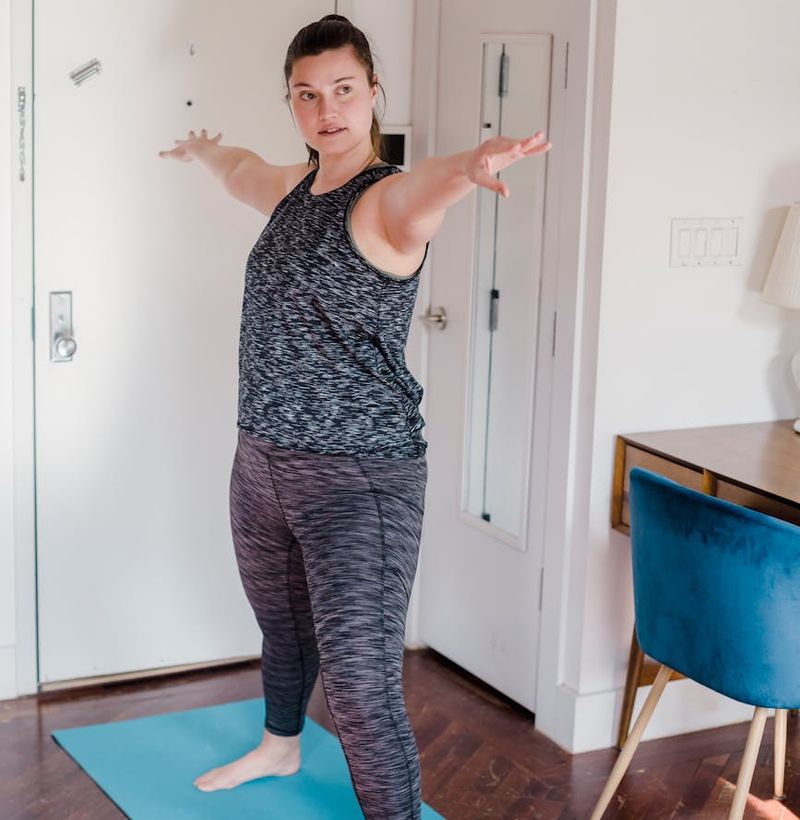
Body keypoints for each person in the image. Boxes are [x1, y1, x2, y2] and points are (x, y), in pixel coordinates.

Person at [158, 13, 551, 820]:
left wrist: (469, 167)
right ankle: (278, 744)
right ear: (293, 104)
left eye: (343, 90)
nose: (326, 109)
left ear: (374, 94)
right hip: (261, 464)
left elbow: (426, 183)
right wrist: (204, 150)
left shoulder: (385, 204)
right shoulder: (295, 190)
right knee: (283, 629)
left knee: (361, 687)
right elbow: (240, 169)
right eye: (308, 95)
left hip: (359, 480)